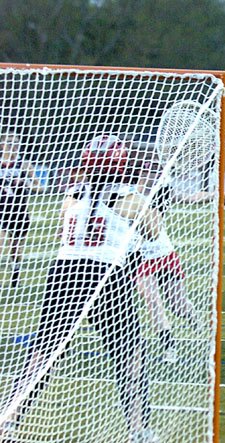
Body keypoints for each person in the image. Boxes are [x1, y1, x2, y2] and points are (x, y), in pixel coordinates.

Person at [4, 135, 161, 443]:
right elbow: (156, 239)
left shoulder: (71, 196)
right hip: (105, 276)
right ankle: (138, 429)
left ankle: (8, 420)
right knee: (129, 355)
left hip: (63, 273)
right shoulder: (133, 201)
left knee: (42, 353)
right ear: (121, 164)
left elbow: (63, 231)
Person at [134, 161, 211, 363]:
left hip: (163, 253)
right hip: (139, 258)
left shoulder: (160, 193)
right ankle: (169, 347)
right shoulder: (127, 194)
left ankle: (195, 319)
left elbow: (190, 197)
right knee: (152, 300)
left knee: (177, 305)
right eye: (149, 173)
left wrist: (217, 195)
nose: (154, 177)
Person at [0, 132, 45, 288]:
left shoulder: (24, 165)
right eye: (10, 142)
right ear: (2, 145)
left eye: (17, 143)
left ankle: (15, 277)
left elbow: (40, 187)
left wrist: (25, 183)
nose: (14, 146)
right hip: (1, 210)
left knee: (16, 248)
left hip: (19, 211)